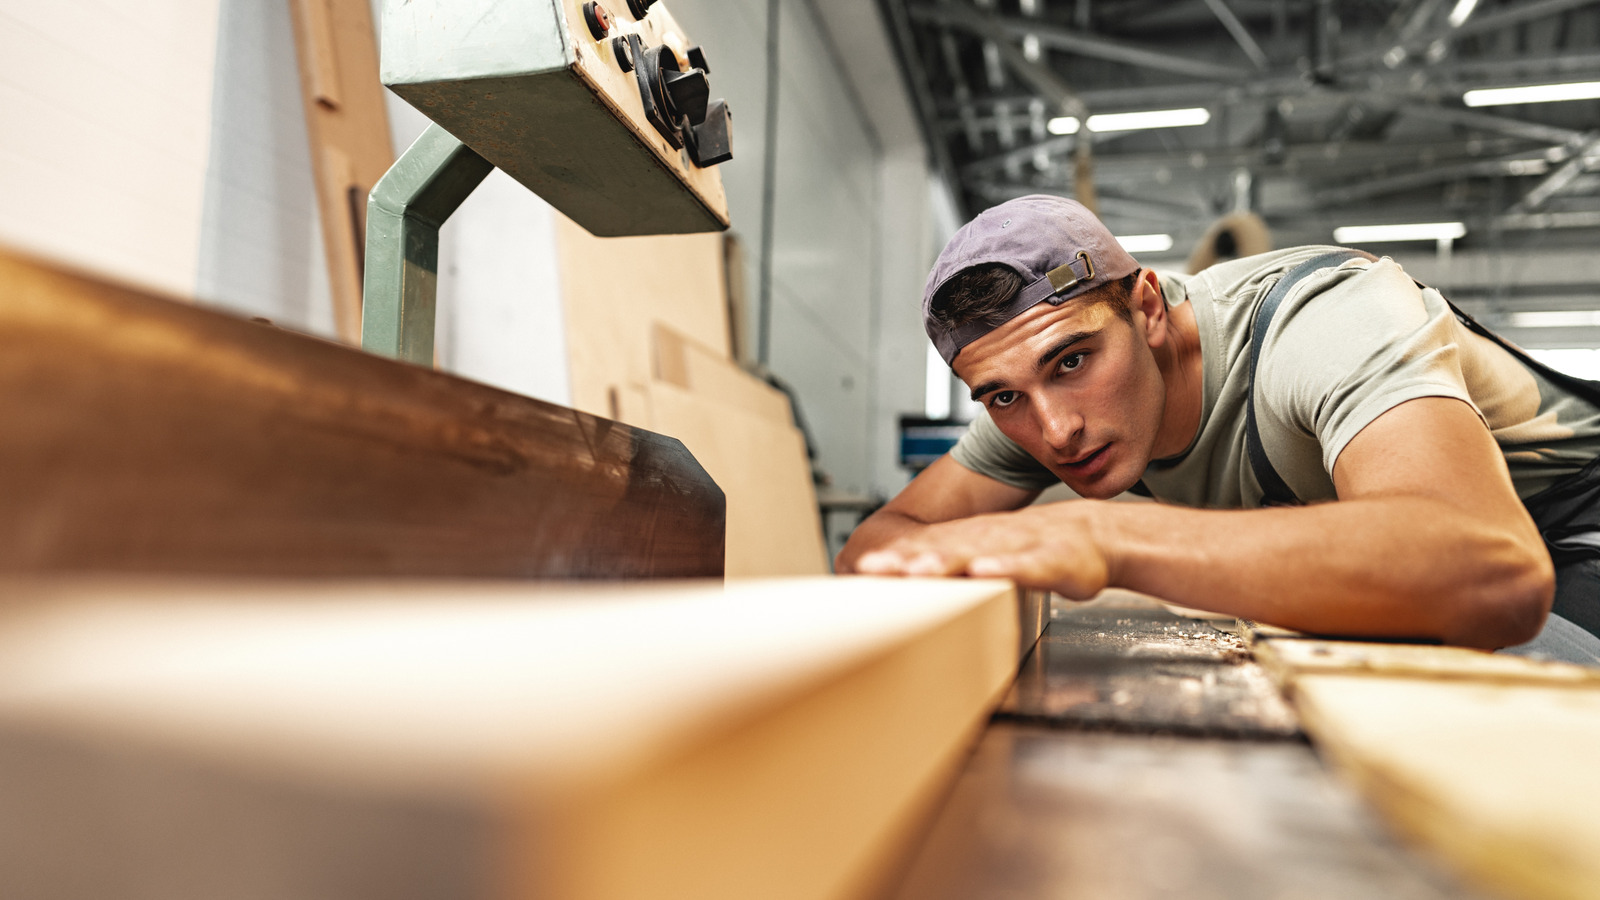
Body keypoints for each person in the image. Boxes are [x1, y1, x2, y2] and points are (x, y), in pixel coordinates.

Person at [836, 194, 1600, 663]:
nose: (1056, 431)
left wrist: (1105, 539)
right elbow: (877, 543)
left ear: (1145, 307)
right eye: (1000, 397)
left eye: (1073, 361)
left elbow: (1493, 571)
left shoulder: (1323, 321)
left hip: (1567, 535)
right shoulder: (1035, 397)